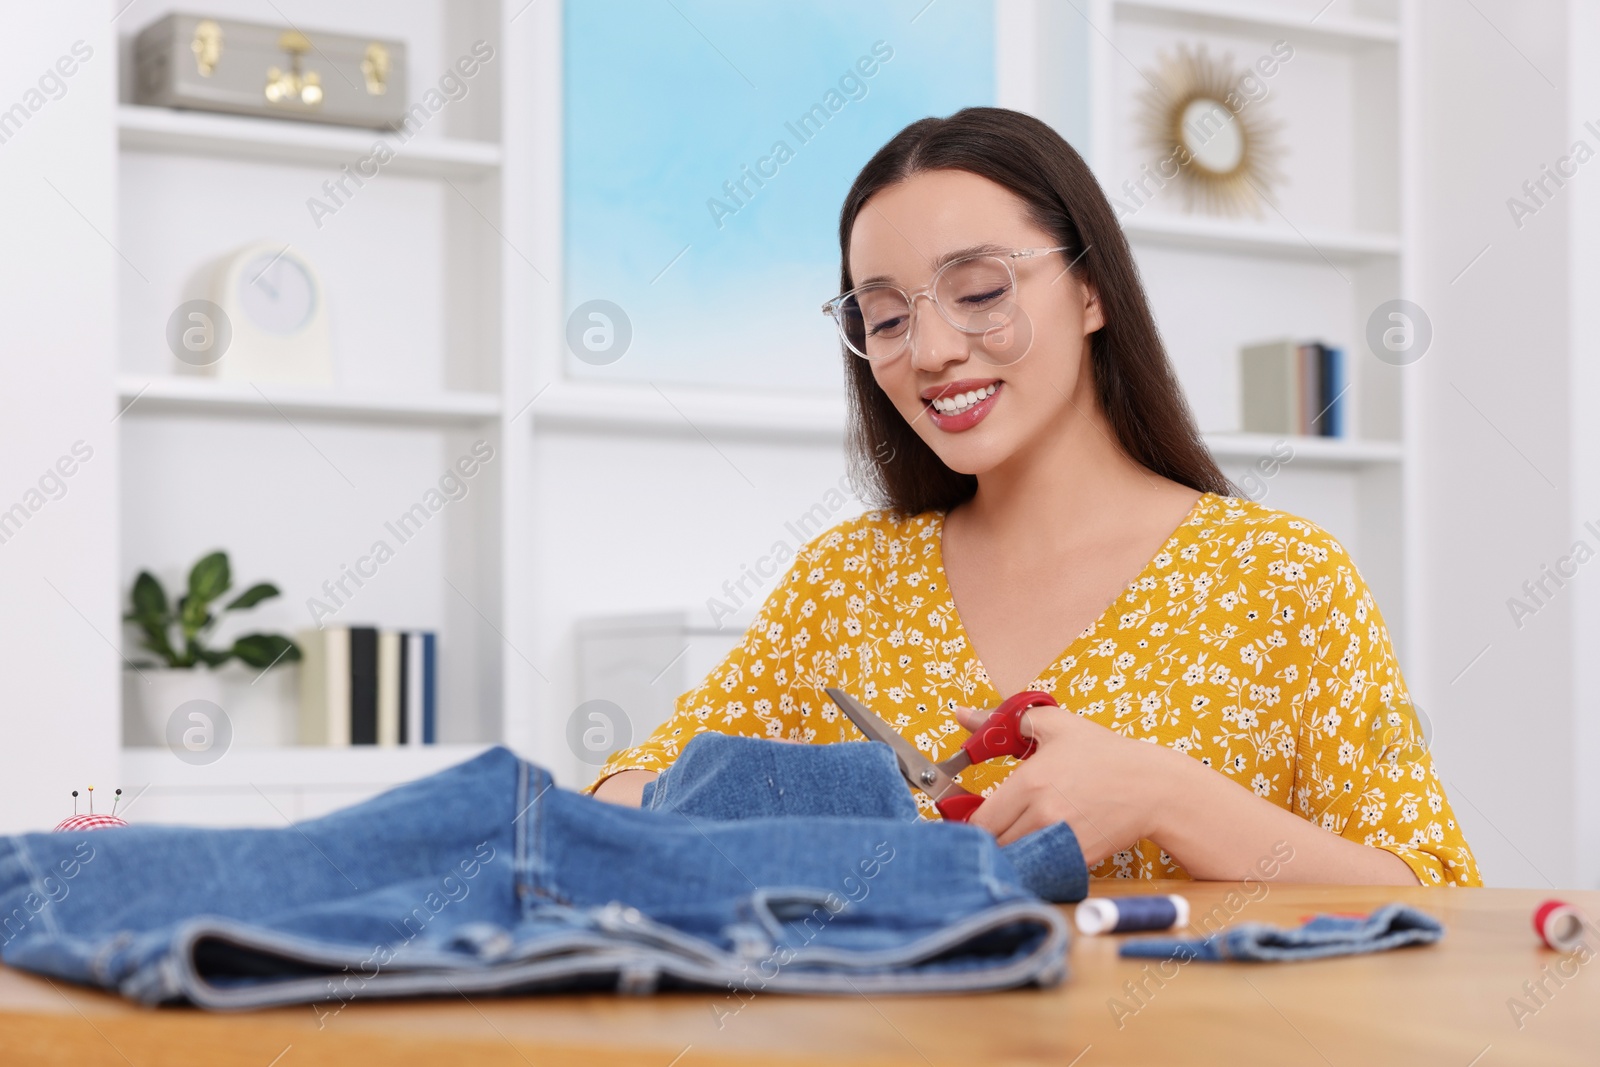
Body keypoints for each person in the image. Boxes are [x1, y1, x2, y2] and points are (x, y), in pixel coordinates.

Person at [589, 107, 1479, 888]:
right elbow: (622, 798)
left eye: (978, 292)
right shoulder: (848, 581)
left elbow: (1432, 891)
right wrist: (829, 814)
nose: (930, 350)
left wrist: (1165, 797)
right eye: (888, 317)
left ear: (1091, 289)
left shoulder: (1283, 576)